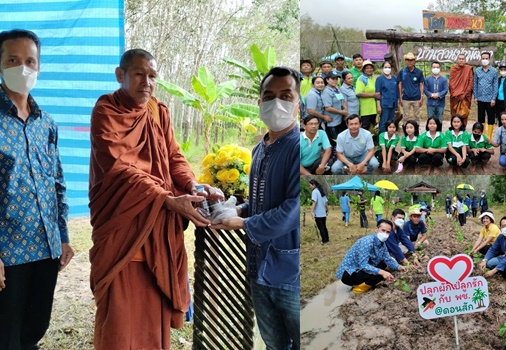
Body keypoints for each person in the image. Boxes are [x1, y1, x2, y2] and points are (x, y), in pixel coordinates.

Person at [89, 49, 221, 349]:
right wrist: (166, 199)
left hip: (158, 230)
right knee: (120, 321)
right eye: (139, 74)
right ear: (120, 75)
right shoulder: (106, 110)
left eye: (152, 76)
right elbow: (118, 167)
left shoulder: (158, 111)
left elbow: (174, 157)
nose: (146, 82)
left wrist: (194, 185)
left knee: (153, 319)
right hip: (123, 227)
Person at [216, 66, 300, 349]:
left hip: (289, 271)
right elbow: (264, 201)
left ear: (298, 103)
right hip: (258, 267)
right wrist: (238, 210)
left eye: (286, 95)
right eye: (269, 96)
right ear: (259, 103)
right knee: (274, 344)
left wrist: (243, 224)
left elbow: (293, 207)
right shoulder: (259, 149)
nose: (277, 103)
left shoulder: (298, 147)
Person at [0, 29, 74, 350]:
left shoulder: (47, 124)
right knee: (6, 334)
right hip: (8, 254)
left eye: (30, 61)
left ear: (39, 67)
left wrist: (64, 236)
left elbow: (56, 182)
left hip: (46, 249)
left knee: (35, 327)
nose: (23, 68)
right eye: (13, 60)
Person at [335, 220, 407, 294]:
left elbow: (387, 259)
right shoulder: (366, 242)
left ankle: (364, 281)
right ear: (376, 229)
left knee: (384, 263)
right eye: (383, 230)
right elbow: (363, 265)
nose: (385, 234)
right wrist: (382, 272)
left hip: (361, 269)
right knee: (379, 276)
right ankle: (357, 290)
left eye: (388, 232)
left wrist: (399, 267)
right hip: (350, 273)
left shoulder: (382, 244)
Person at [473, 52, 498, 141]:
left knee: (491, 118)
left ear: (490, 59)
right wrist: (475, 97)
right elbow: (475, 84)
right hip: (480, 98)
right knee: (481, 118)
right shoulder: (477, 71)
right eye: (483, 58)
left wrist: (493, 98)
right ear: (480, 59)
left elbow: (495, 85)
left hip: (490, 99)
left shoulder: (494, 71)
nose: (484, 60)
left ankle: (489, 137)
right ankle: (482, 136)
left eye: (486, 58)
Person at [398, 52, 425, 121]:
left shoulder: (419, 72)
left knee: (417, 116)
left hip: (416, 98)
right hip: (405, 98)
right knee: (406, 116)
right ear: (405, 61)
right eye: (408, 60)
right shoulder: (402, 72)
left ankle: (417, 131)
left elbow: (421, 85)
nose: (410, 62)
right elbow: (400, 84)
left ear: (414, 61)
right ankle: (405, 130)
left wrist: (421, 97)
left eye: (411, 60)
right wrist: (400, 97)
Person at [449, 53, 474, 126]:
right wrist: (456, 93)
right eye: (460, 59)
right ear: (457, 60)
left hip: (465, 96)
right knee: (454, 113)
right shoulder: (453, 69)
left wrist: (464, 93)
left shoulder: (468, 69)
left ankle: (463, 129)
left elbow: (470, 82)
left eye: (463, 59)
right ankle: (454, 128)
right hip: (455, 96)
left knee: (464, 113)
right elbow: (451, 83)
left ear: (465, 60)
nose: (461, 60)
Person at [322, 72, 347, 142]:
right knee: (334, 142)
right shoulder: (326, 91)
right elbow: (328, 107)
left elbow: (342, 100)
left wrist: (344, 108)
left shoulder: (337, 89)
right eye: (333, 79)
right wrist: (342, 112)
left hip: (339, 120)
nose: (335, 81)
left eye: (336, 79)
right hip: (332, 122)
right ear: (327, 80)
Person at [375, 61, 400, 134]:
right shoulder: (380, 79)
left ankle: (390, 137)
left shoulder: (394, 78)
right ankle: (382, 138)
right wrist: (378, 105)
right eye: (385, 67)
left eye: (389, 67)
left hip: (393, 103)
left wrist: (397, 102)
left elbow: (396, 91)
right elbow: (378, 93)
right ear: (382, 68)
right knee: (383, 122)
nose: (387, 69)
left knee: (391, 122)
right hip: (385, 104)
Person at [356, 60, 379, 129]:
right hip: (365, 108)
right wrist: (373, 95)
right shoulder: (361, 79)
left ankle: (373, 139)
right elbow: (358, 93)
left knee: (373, 126)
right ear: (364, 69)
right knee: (365, 126)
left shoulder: (373, 78)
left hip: (373, 107)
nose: (369, 70)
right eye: (367, 68)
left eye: (371, 68)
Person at [310, 179, 329, 245]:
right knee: (324, 226)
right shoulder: (321, 191)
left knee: (321, 228)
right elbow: (326, 203)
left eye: (310, 185)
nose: (310, 186)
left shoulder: (314, 192)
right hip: (323, 213)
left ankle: (324, 240)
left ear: (314, 185)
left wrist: (311, 211)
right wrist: (328, 210)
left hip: (318, 213)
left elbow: (314, 202)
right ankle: (327, 238)